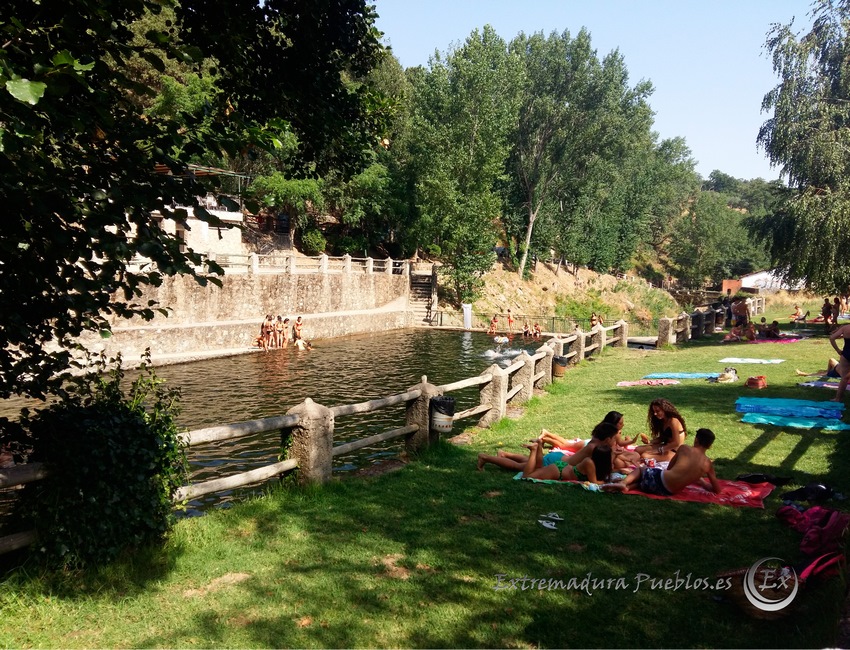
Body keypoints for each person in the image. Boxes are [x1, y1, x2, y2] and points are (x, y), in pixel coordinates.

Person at [603, 428, 721, 495]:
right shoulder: (708, 464)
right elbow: (717, 490)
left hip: (660, 480)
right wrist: (702, 482)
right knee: (645, 481)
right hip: (668, 492)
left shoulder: (684, 448)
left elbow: (669, 468)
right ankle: (628, 488)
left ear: (696, 440)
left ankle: (623, 483)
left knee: (642, 470)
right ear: (710, 446)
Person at [477, 421, 617, 472]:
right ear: (607, 439)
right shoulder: (594, 448)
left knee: (529, 461)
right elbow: (603, 467)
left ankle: (505, 454)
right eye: (614, 439)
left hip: (558, 458)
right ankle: (485, 458)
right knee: (519, 467)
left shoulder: (593, 442)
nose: (615, 442)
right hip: (557, 463)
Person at [519, 437, 612, 484]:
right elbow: (594, 482)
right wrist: (609, 482)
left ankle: (539, 444)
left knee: (539, 467)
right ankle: (534, 450)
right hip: (559, 471)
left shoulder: (593, 462)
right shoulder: (589, 462)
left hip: (562, 469)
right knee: (527, 476)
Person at [633, 398, 686, 463]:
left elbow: (676, 443)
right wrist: (650, 442)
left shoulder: (673, 421)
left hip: (674, 451)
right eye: (654, 411)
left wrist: (658, 450)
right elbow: (663, 438)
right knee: (638, 449)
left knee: (645, 456)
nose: (655, 414)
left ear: (665, 410)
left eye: (657, 411)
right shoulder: (662, 420)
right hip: (665, 446)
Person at [829, 322, 850, 401]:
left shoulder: (845, 328)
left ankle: (838, 398)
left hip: (846, 354)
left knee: (844, 378)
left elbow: (832, 338)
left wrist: (837, 350)